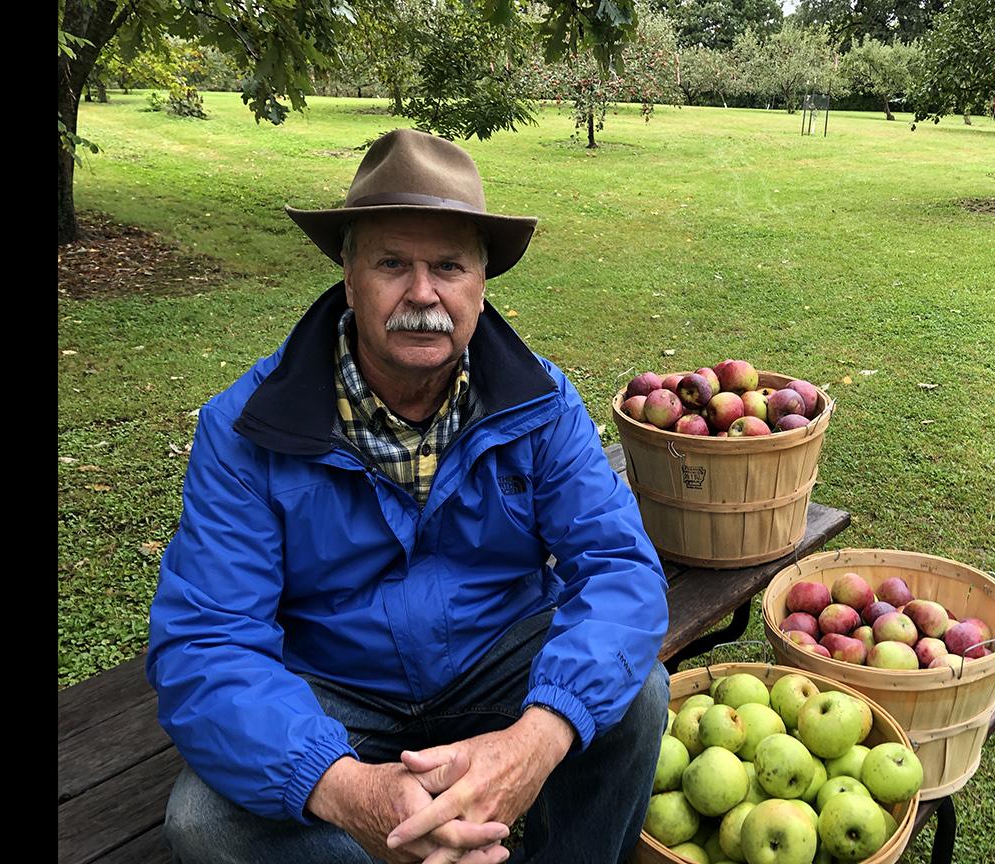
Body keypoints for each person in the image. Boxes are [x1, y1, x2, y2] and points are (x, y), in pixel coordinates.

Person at [147, 128, 671, 864]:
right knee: (206, 823)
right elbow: (208, 641)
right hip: (335, 682)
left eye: (449, 266)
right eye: (392, 263)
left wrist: (539, 734)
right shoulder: (245, 429)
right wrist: (342, 787)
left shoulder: (539, 404)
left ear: (482, 285)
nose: (422, 295)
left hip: (496, 656)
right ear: (349, 275)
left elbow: (620, 567)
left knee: (637, 697)